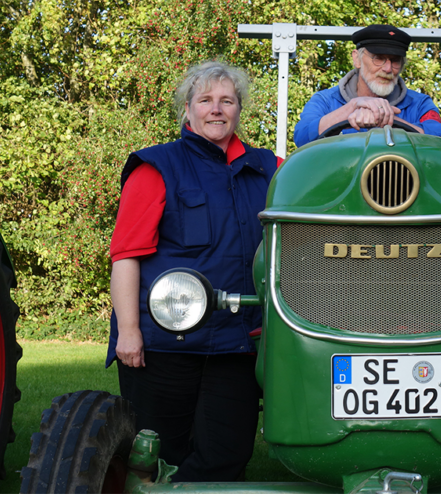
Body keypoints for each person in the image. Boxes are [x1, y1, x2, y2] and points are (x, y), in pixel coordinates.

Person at [107, 61, 279, 482]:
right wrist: (129, 331)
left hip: (239, 346)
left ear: (240, 109)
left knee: (227, 455)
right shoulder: (156, 167)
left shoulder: (272, 169)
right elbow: (125, 255)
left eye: (227, 101)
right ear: (188, 109)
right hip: (166, 346)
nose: (216, 110)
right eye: (205, 100)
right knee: (159, 455)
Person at [293, 24, 441, 147]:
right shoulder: (324, 100)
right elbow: (301, 137)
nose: (387, 69)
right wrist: (352, 108)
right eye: (378, 58)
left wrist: (388, 118)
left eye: (395, 60)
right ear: (357, 59)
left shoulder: (420, 104)